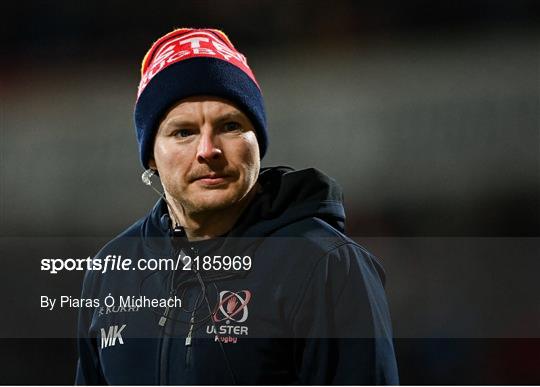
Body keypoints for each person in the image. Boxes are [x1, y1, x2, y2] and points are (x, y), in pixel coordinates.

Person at [75, 28, 399, 385]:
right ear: (151, 155)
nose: (208, 150)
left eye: (230, 126)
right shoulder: (111, 272)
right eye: (183, 132)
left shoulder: (325, 264)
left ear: (257, 141)